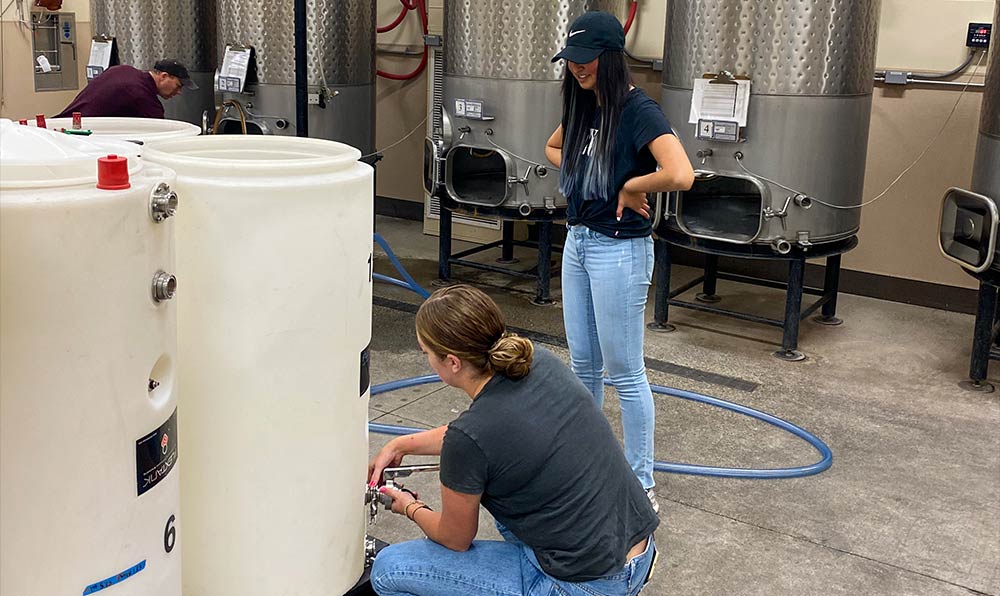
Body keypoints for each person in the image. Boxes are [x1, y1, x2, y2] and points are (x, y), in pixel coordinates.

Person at [369, 285, 659, 596]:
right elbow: (480, 435)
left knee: (389, 570)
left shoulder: (468, 440)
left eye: (426, 352)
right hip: (637, 550)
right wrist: (400, 445)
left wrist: (409, 506)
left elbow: (455, 537)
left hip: (585, 584)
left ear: (452, 362)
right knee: (508, 506)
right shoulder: (540, 363)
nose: (426, 358)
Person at [544, 11, 695, 513]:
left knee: (625, 372)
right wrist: (591, 174)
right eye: (571, 62)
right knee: (583, 365)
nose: (577, 70)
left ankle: (639, 481)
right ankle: (588, 464)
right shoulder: (583, 104)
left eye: (586, 62)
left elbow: (680, 173)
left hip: (619, 250)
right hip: (579, 242)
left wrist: (631, 185)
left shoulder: (637, 110)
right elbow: (552, 147)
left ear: (610, 59)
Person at [54, 59, 196, 119]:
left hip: (67, 124)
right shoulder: (142, 96)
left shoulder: (124, 70)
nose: (179, 92)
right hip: (79, 137)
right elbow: (160, 135)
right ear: (164, 76)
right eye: (178, 85)